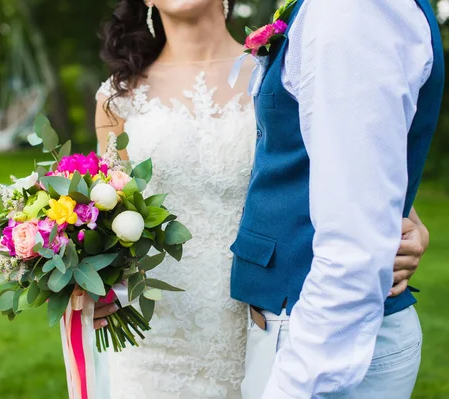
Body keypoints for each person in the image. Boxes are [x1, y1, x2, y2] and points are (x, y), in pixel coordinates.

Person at [93, 1, 434, 398]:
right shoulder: (116, 98)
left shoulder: (281, 67)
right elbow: (107, 213)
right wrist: (92, 281)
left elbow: (354, 170)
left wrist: (410, 227)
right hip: (157, 335)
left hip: (268, 326)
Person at [232, 0, 444, 397]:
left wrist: (293, 386)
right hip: (299, 324)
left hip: (320, 340)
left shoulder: (349, 11)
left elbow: (355, 247)